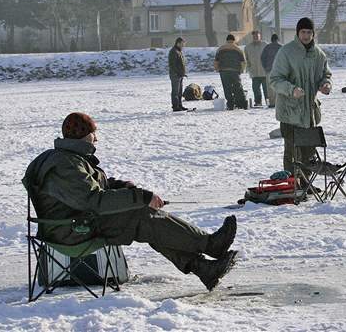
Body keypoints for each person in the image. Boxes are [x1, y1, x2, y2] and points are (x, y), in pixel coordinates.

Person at [22, 113, 239, 291]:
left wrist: (120, 186)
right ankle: (210, 245)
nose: (96, 140)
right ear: (83, 136)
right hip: (71, 231)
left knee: (143, 219)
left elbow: (92, 189)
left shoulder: (68, 158)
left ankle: (204, 268)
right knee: (141, 217)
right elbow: (93, 200)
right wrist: (142, 197)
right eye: (93, 134)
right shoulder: (65, 165)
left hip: (76, 223)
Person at [269, 17, 332, 189]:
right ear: (298, 33)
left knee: (308, 151)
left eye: (309, 32)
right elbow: (275, 80)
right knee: (292, 152)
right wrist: (291, 90)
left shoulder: (319, 54)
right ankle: (292, 185)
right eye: (303, 32)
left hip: (309, 112)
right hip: (290, 112)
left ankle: (305, 183)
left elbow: (325, 74)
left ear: (313, 34)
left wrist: (325, 84)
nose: (306, 35)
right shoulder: (286, 52)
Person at [214, 34, 248, 110]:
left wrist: (217, 69)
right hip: (235, 71)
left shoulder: (220, 49)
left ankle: (230, 104)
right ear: (234, 40)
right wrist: (242, 70)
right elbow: (243, 62)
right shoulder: (238, 49)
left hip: (224, 71)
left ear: (226, 40)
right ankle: (241, 103)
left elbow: (216, 61)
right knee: (237, 87)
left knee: (227, 88)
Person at [245, 31, 268, 107]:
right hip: (254, 72)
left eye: (257, 36)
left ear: (260, 36)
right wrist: (249, 68)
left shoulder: (265, 45)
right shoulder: (248, 47)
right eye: (254, 36)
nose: (256, 38)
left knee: (266, 89)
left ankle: (268, 101)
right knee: (256, 89)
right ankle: (258, 102)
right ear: (252, 37)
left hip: (264, 72)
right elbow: (246, 59)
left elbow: (269, 57)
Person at [261, 33, 283, 108]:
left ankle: (272, 102)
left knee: (270, 87)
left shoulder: (267, 47)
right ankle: (279, 102)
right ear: (278, 39)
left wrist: (265, 67)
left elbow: (262, 58)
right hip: (280, 71)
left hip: (269, 70)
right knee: (279, 86)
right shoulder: (281, 47)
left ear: (271, 40)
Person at [168, 37, 189, 112]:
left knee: (180, 91)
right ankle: (175, 106)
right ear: (178, 43)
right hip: (175, 75)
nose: (183, 45)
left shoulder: (179, 51)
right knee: (175, 91)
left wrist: (183, 73)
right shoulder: (174, 51)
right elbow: (173, 65)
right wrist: (179, 73)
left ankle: (179, 105)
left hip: (180, 75)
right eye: (183, 44)